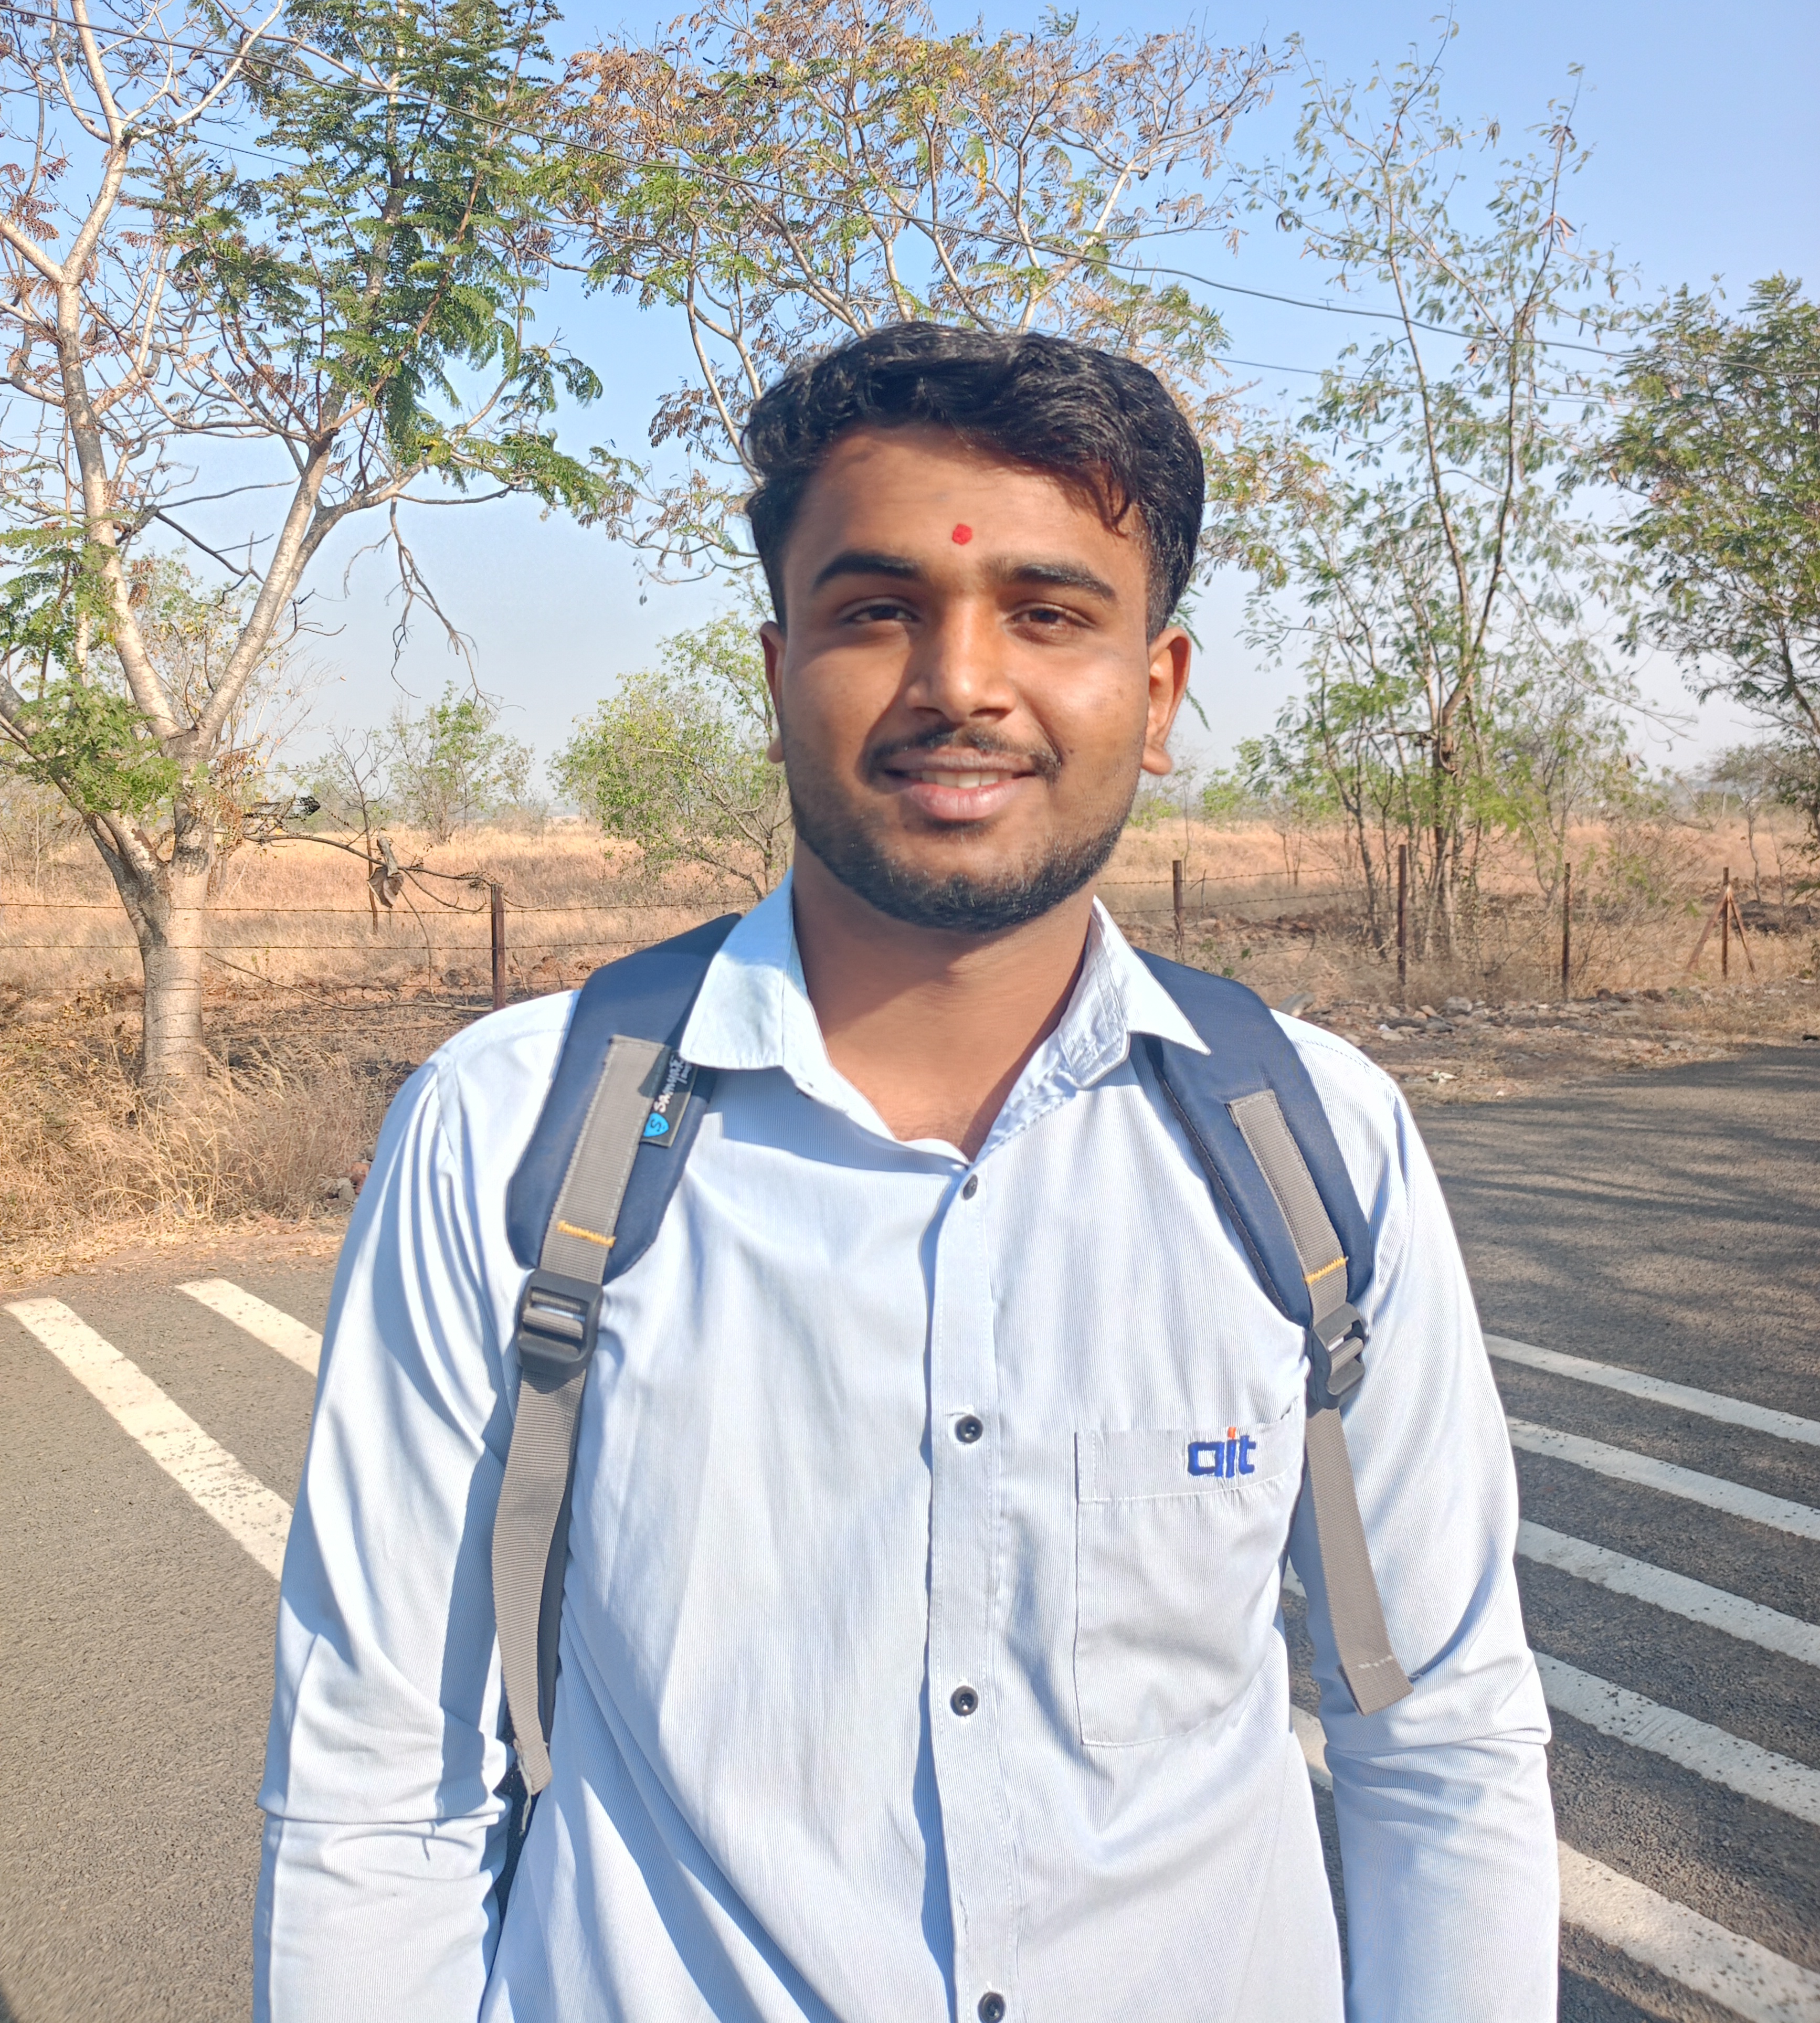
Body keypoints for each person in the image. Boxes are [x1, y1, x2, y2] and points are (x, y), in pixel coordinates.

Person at [255, 324, 1558, 2022]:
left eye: (1048, 612)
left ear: (1156, 693)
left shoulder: (1308, 1141)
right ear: (777, 670)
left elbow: (1436, 1733)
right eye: (878, 610)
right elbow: (377, 1782)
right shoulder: (511, 1130)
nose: (960, 683)